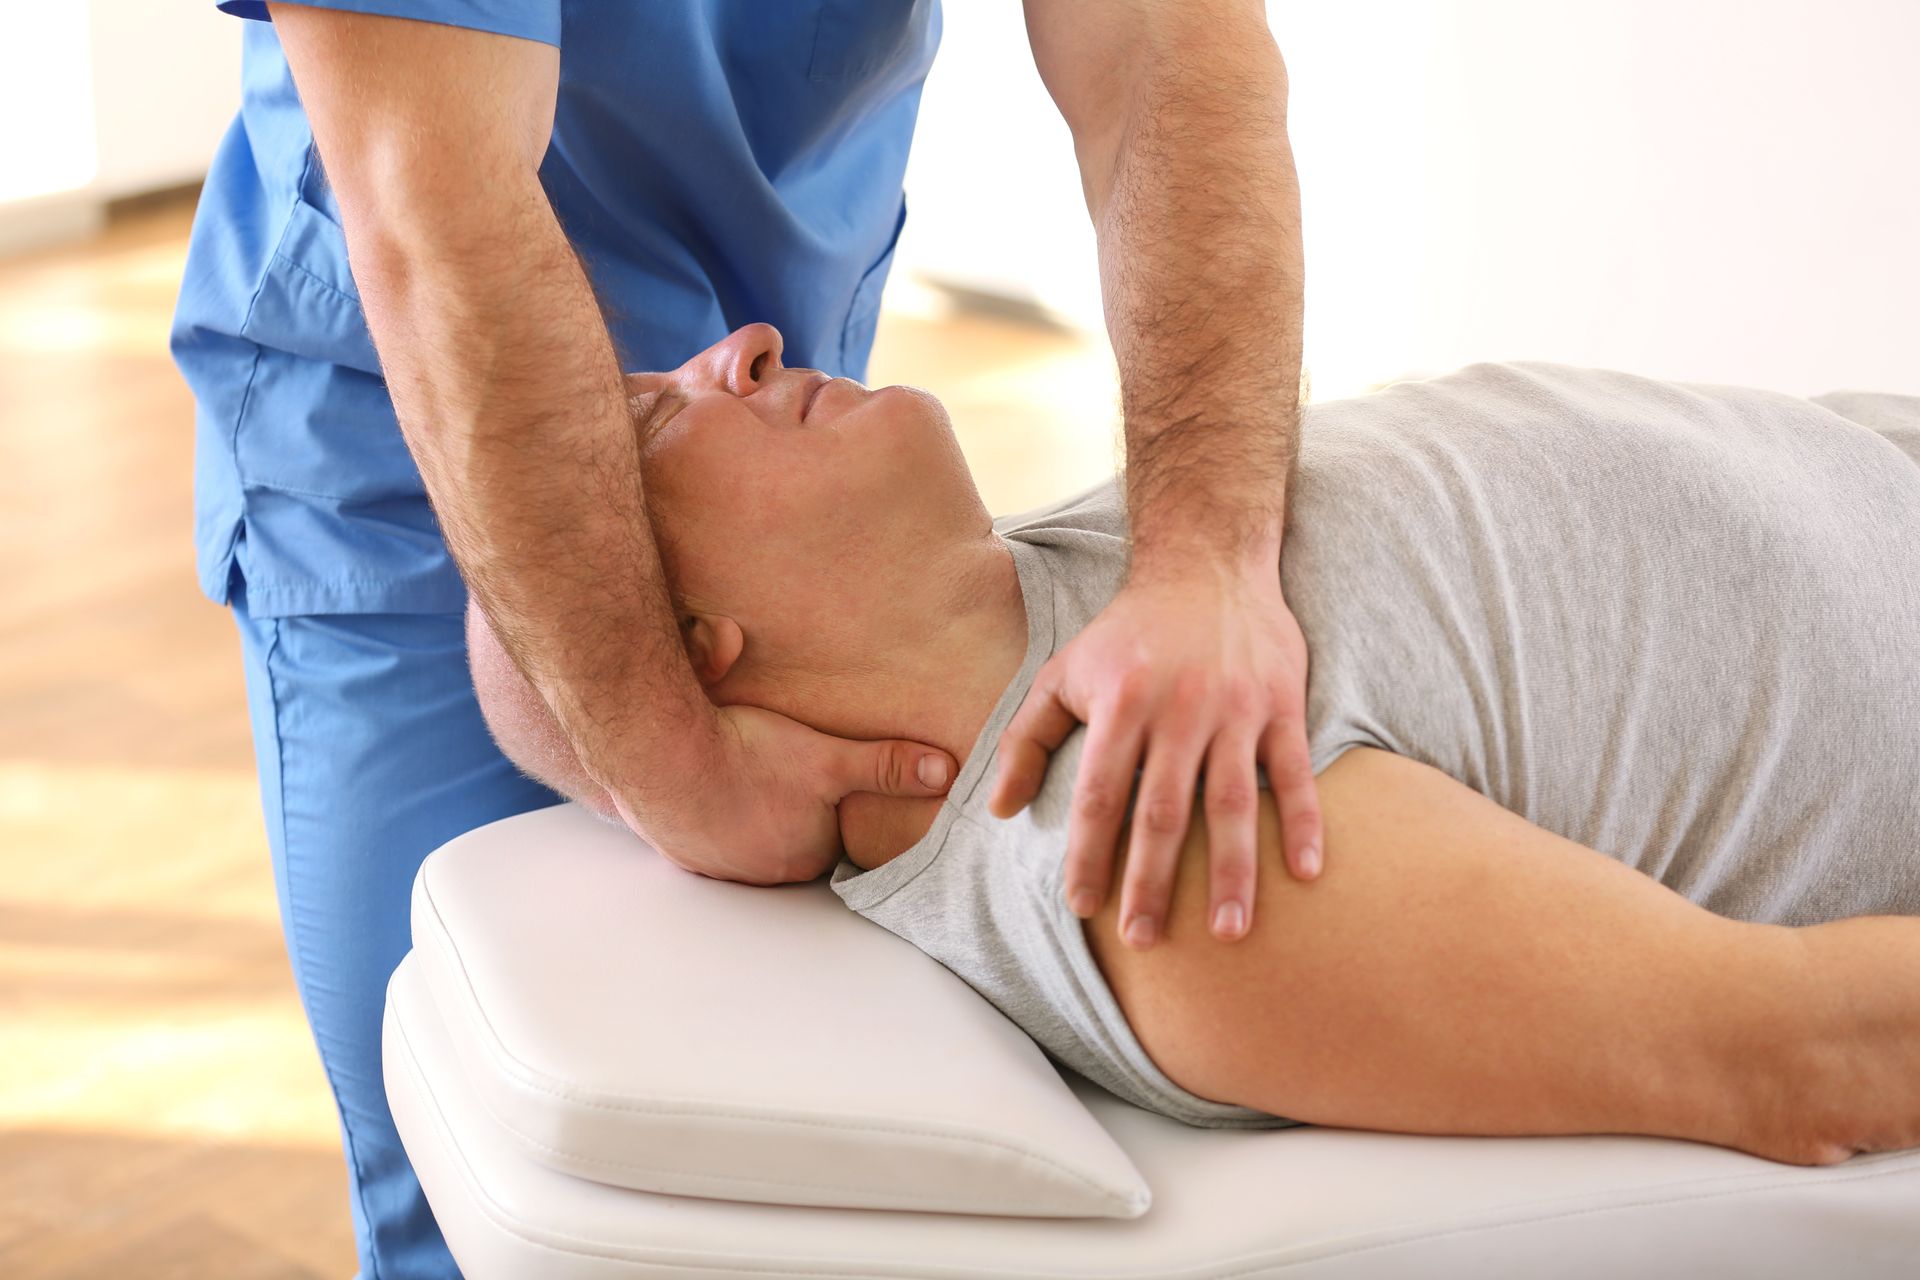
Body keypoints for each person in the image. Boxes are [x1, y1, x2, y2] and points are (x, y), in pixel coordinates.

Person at [169, 3, 1319, 1272]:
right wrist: (673, 756)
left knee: (791, 1157)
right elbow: (436, 205)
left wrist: (1207, 554)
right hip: (412, 433)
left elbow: (1169, 51)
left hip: (766, 422)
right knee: (473, 1174)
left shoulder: (769, 405)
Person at [472, 323, 1920, 1167]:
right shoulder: (1140, 850)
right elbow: (1798, 1055)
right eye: (659, 419)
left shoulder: (1063, 582)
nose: (744, 345)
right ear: (693, 649)